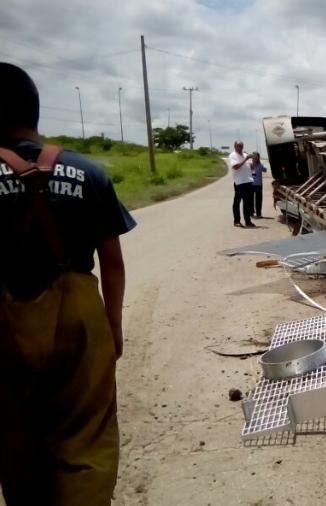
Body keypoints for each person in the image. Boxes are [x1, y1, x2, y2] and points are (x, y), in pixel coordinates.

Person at [0, 62, 136, 505]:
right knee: (88, 436)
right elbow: (111, 262)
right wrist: (112, 326)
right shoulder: (88, 172)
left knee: (15, 438)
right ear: (35, 112)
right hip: (80, 318)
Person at [229, 141, 254, 227]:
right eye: (238, 146)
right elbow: (235, 167)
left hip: (248, 181)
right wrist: (246, 159)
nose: (240, 148)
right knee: (237, 201)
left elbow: (251, 167)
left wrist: (254, 159)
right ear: (235, 146)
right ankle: (237, 221)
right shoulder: (233, 155)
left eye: (241, 146)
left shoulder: (244, 154)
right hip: (239, 182)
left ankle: (248, 221)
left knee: (247, 202)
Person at [249, 152, 267, 218]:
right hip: (251, 184)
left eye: (256, 157)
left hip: (259, 184)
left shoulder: (260, 165)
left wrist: (262, 166)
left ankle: (258, 213)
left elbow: (265, 170)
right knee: (250, 199)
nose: (255, 158)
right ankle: (251, 212)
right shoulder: (249, 164)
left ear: (258, 158)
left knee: (259, 199)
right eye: (254, 157)